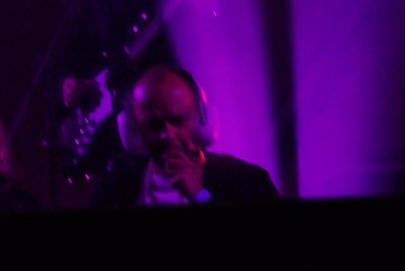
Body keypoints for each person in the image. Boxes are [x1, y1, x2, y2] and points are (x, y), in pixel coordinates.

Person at [41, 0, 215, 181]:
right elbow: (77, 54)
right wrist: (70, 83)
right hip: (117, 137)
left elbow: (215, 46)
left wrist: (209, 5)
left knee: (191, 194)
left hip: (173, 127)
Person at [91, 65, 280, 208]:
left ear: (203, 118)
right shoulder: (115, 187)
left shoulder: (247, 182)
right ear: (133, 129)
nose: (167, 135)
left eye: (177, 121)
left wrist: (199, 196)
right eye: (153, 124)